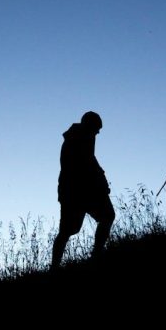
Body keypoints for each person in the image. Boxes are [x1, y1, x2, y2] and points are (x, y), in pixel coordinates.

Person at [51, 111, 115, 269]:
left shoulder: (83, 137)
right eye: (97, 128)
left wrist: (101, 180)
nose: (98, 132)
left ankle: (96, 254)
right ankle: (55, 266)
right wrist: (100, 181)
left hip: (84, 190)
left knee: (107, 216)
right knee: (68, 230)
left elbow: (91, 161)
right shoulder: (76, 139)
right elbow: (85, 164)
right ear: (89, 125)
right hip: (75, 191)